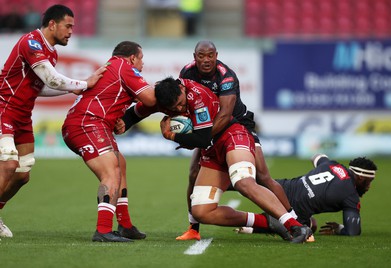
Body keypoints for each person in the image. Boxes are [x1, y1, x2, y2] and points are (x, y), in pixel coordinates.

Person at [154, 77, 312, 243]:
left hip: (233, 136)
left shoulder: (197, 95)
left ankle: (296, 225)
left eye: (180, 103)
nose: (180, 108)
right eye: (175, 107)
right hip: (212, 150)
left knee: (244, 182)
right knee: (201, 211)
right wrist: (123, 122)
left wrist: (171, 135)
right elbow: (141, 107)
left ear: (182, 88)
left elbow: (201, 139)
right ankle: (268, 223)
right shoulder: (167, 94)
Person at [0, 4, 105, 238]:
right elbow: (53, 79)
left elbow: (43, 87)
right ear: (52, 24)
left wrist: (75, 90)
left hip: (23, 117)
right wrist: (83, 84)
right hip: (4, 109)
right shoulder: (32, 43)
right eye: (68, 26)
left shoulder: (53, 53)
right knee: (8, 164)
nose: (70, 31)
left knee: (22, 174)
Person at [62, 41, 156, 242]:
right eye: (141, 59)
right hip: (88, 124)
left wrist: (119, 119)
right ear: (132, 58)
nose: (142, 65)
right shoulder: (124, 67)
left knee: (119, 164)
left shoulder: (110, 67)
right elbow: (149, 99)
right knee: (111, 172)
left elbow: (109, 99)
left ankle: (125, 225)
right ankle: (103, 230)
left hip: (87, 124)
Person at [236, 154, 378, 237]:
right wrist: (339, 228)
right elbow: (353, 231)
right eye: (369, 181)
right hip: (296, 210)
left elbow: (317, 156)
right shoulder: (351, 196)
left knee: (240, 182)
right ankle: (250, 226)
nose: (369, 186)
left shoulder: (333, 165)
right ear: (360, 178)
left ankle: (217, 181)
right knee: (304, 227)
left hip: (283, 187)